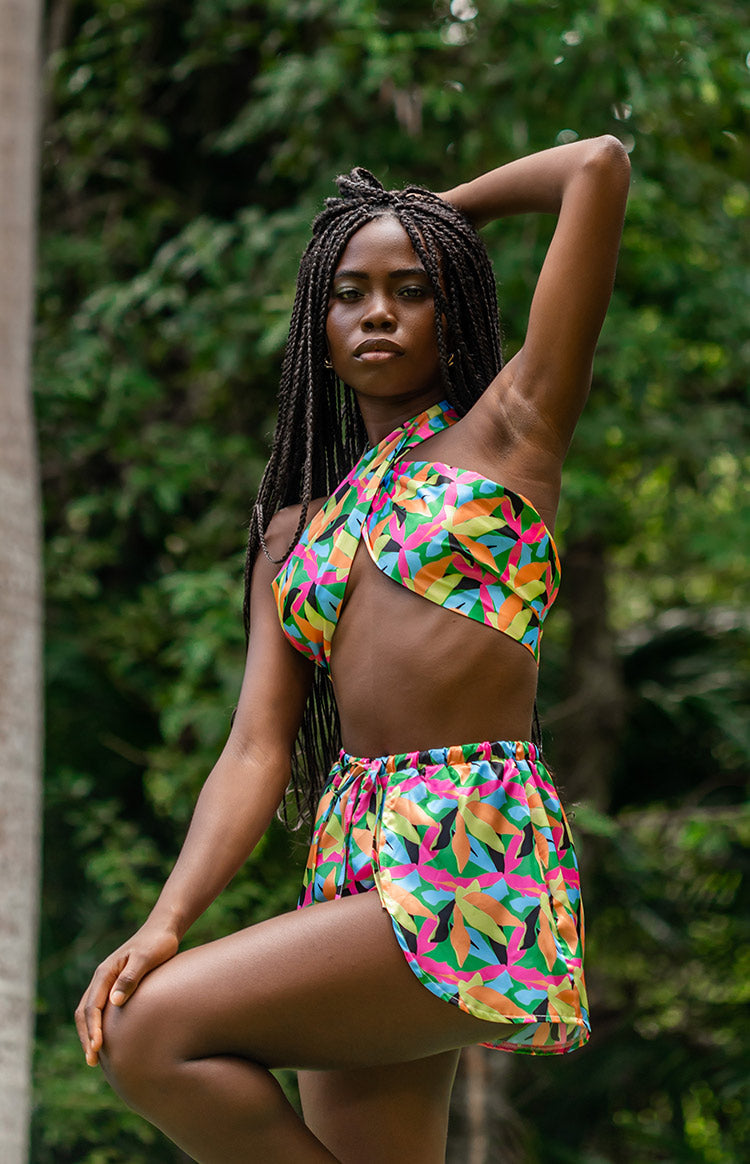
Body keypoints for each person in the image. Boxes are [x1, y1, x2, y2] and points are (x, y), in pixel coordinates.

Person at [75, 135, 630, 1163]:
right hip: (352, 860)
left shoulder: (511, 434)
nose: (378, 311)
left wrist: (427, 217)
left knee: (149, 1033)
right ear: (317, 325)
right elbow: (256, 747)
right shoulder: (293, 531)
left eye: (411, 289)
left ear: (452, 309)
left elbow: (594, 166)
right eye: (349, 292)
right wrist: (166, 920)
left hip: (473, 855)